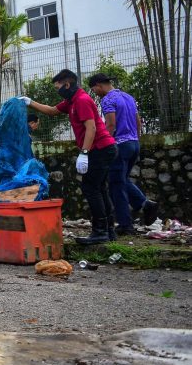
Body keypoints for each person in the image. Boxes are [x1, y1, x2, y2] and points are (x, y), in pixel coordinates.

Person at [22, 69, 117, 245]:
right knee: (100, 188)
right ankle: (108, 231)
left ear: (67, 84)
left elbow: (92, 128)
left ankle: (101, 231)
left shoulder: (81, 100)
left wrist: (84, 153)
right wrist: (30, 102)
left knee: (91, 188)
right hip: (101, 148)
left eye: (58, 87)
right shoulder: (71, 101)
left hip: (101, 148)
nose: (57, 90)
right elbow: (51, 111)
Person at [88, 73, 158, 233]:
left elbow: (111, 124)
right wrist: (136, 141)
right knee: (121, 180)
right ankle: (145, 204)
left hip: (119, 145)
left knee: (116, 184)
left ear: (99, 85)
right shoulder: (128, 97)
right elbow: (138, 121)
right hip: (134, 144)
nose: (95, 93)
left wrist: (103, 144)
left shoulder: (108, 100)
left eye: (94, 89)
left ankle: (126, 224)